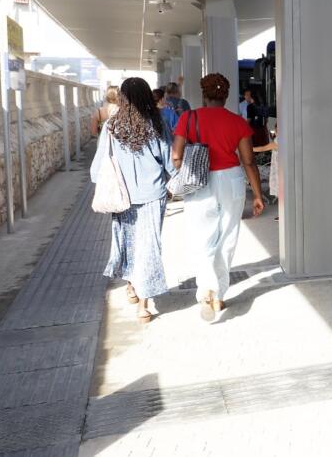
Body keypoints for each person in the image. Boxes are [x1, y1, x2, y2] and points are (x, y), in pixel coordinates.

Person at [172, 73, 266, 323]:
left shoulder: (188, 118)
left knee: (202, 238)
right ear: (226, 96)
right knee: (227, 238)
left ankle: (206, 289)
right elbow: (248, 161)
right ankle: (219, 295)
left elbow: (176, 156)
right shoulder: (237, 122)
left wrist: (187, 170)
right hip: (231, 180)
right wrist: (258, 195)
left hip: (199, 180)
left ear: (204, 95)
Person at [91, 77, 177, 324]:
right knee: (149, 246)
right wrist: (175, 181)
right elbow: (169, 161)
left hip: (122, 195)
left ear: (123, 98)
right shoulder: (157, 123)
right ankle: (143, 305)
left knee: (127, 241)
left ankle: (131, 285)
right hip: (153, 195)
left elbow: (97, 169)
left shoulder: (111, 126)